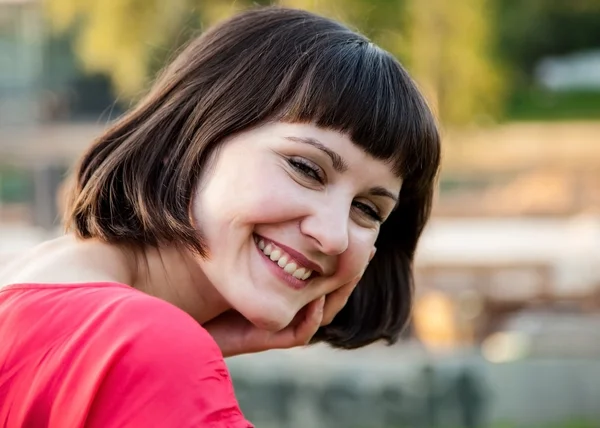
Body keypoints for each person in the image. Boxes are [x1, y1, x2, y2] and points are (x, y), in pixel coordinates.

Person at [0, 5, 440, 428]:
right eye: (305, 168)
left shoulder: (29, 293)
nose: (333, 236)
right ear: (194, 133)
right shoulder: (146, 348)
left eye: (367, 209)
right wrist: (166, 357)